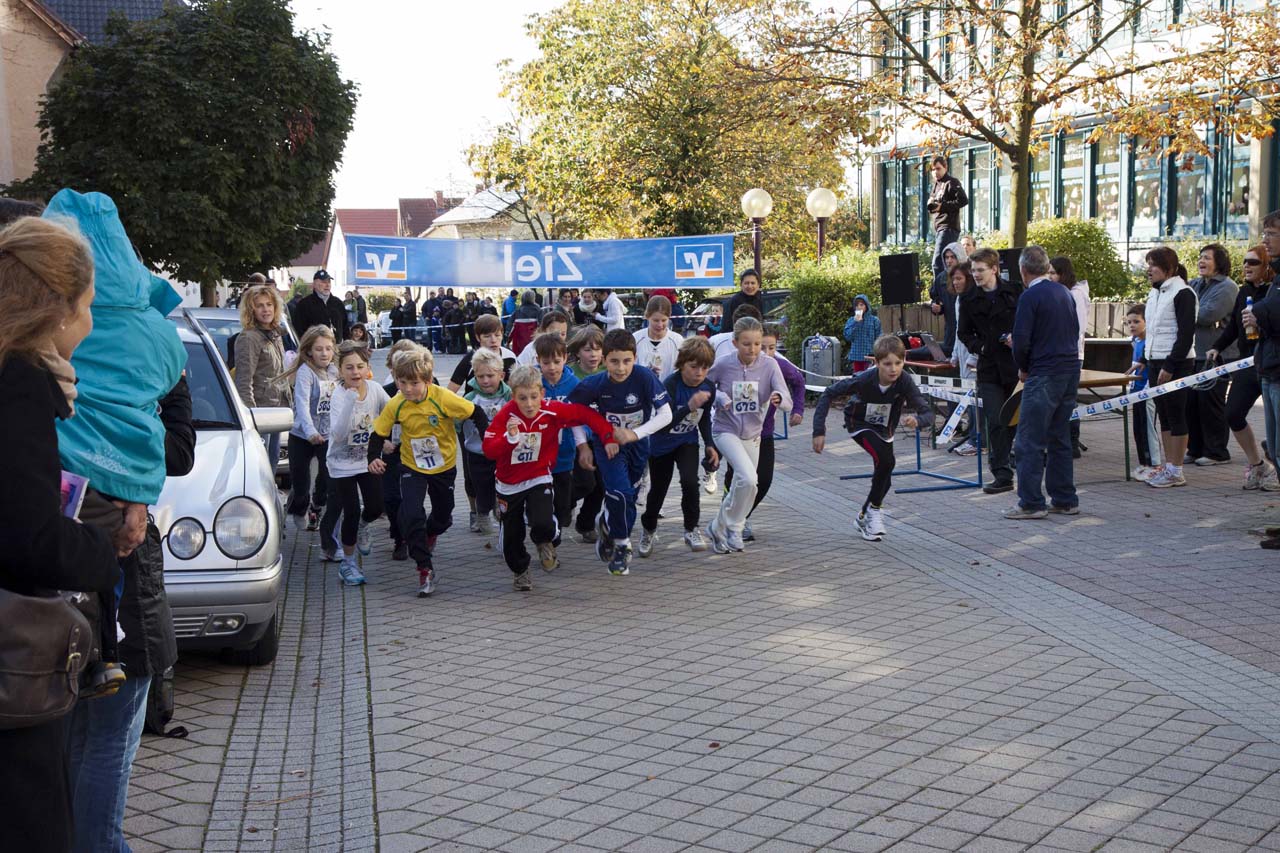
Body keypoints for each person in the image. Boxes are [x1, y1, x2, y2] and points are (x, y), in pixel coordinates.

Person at [40, 189, 190, 853]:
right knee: (103, 736)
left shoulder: (37, 336)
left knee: (92, 728)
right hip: (100, 544)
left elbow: (180, 445)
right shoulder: (155, 333)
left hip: (76, 530)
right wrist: (135, 485)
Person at [0, 215, 120, 853]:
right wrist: (101, 552)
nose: (91, 323)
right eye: (88, 305)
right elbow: (29, 539)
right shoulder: (17, 380)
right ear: (58, 306)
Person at [482, 365, 621, 589]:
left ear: (542, 394)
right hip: (509, 483)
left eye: (534, 397)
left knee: (543, 522)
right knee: (512, 535)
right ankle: (521, 571)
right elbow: (489, 450)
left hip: (539, 476)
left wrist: (608, 436)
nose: (529, 404)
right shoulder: (506, 416)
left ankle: (544, 541)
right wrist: (509, 438)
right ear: (513, 396)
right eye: (522, 398)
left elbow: (584, 414)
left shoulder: (551, 411)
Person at [367, 349, 490, 596]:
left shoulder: (442, 398)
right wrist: (373, 458)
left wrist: (487, 438)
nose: (408, 389)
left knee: (443, 517)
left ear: (428, 380)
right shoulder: (397, 404)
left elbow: (476, 412)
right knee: (411, 515)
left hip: (443, 467)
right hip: (412, 466)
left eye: (414, 383)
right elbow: (378, 433)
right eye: (402, 383)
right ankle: (425, 568)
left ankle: (431, 532)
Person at [569, 329, 673, 574]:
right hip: (608, 447)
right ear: (604, 360)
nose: (621, 368)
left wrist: (634, 434)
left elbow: (666, 414)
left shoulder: (644, 377)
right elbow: (572, 413)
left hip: (638, 447)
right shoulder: (594, 384)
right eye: (614, 361)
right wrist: (582, 445)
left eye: (627, 361)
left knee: (629, 500)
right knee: (619, 493)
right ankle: (622, 546)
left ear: (635, 358)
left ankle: (608, 523)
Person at [812, 335, 932, 541]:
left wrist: (918, 420)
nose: (893, 369)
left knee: (885, 478)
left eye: (898, 363)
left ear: (904, 361)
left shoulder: (904, 381)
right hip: (859, 423)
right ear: (876, 363)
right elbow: (828, 393)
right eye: (887, 364)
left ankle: (863, 516)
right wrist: (818, 431)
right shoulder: (864, 379)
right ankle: (875, 512)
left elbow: (927, 413)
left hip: (885, 428)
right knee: (887, 461)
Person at [704, 316, 792, 553]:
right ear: (735, 343)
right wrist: (720, 397)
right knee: (749, 478)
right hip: (725, 429)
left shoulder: (770, 365)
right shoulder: (723, 364)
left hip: (753, 434)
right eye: (746, 344)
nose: (752, 349)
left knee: (745, 486)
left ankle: (719, 527)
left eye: (757, 344)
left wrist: (780, 399)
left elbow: (787, 398)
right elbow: (705, 385)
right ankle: (734, 526)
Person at [1005, 245, 1081, 517]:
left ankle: (1031, 502)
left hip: (1043, 371)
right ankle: (1064, 499)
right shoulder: (1064, 292)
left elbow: (1021, 340)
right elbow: (1075, 331)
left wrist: (1024, 367)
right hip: (1069, 369)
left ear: (1022, 270)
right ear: (1047, 267)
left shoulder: (1030, 297)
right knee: (1060, 437)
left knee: (1029, 440)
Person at [639, 336, 719, 555]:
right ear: (682, 363)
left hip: (687, 441)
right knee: (659, 490)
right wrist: (688, 407)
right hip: (661, 444)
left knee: (690, 482)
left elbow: (703, 418)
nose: (699, 373)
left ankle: (691, 529)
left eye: (705, 368)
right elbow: (664, 423)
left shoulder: (708, 387)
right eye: (694, 367)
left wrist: (709, 443)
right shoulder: (670, 386)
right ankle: (648, 528)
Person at [1207, 244, 1276, 489]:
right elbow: (1234, 328)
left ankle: (1275, 467)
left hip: (1272, 363)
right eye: (1245, 261)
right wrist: (1217, 347)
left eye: (1253, 262)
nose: (1247, 266)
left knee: (1275, 421)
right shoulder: (1243, 291)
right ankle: (1258, 465)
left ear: (1267, 265)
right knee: (1233, 413)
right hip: (1248, 363)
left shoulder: (1274, 291)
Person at [732, 323, 806, 542]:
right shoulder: (737, 364)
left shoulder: (777, 366)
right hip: (736, 432)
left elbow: (799, 382)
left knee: (763, 480)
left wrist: (797, 409)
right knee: (739, 478)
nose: (764, 352)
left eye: (771, 348)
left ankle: (741, 515)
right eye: (761, 346)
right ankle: (733, 519)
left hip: (764, 432)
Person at [325, 341, 389, 585]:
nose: (355, 372)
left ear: (368, 367)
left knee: (375, 507)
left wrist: (388, 440)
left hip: (367, 459)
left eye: (360, 366)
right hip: (341, 463)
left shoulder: (375, 389)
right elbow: (339, 433)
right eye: (349, 367)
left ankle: (364, 525)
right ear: (340, 370)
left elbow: (391, 413)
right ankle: (348, 564)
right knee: (350, 511)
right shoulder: (338, 395)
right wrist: (350, 400)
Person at [958, 248, 1020, 493]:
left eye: (980, 270)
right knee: (995, 420)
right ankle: (1001, 473)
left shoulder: (1015, 291)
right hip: (989, 367)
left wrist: (1018, 338)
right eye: (973, 270)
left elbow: (1028, 320)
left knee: (1014, 419)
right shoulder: (968, 299)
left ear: (994, 269)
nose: (975, 274)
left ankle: (1010, 457)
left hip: (1015, 365)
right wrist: (980, 347)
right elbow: (964, 333)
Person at [1143, 247, 1198, 489]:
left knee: (1176, 414)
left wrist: (1170, 365)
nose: (1149, 270)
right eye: (1148, 264)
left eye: (1154, 265)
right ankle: (1169, 466)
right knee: (1163, 415)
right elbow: (1153, 330)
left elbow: (1185, 335)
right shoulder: (1155, 293)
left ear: (1169, 268)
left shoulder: (1183, 293)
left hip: (1176, 363)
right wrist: (1145, 358)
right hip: (1155, 360)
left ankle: (1177, 470)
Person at [1243, 211, 1280, 547]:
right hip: (1269, 369)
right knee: (1277, 450)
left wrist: (1259, 315)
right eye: (1265, 232)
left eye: (1271, 233)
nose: (1265, 239)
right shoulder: (1277, 278)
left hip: (1278, 372)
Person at [282, 326, 339, 532]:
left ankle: (317, 505)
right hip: (302, 435)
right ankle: (299, 508)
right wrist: (310, 432)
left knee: (327, 476)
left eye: (328, 349)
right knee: (301, 485)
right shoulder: (305, 372)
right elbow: (302, 405)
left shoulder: (334, 372)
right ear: (308, 351)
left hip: (327, 434)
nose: (324, 353)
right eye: (319, 349)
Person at [1186, 243, 1238, 466]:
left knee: (1211, 403)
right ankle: (1195, 449)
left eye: (1207, 257)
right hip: (1194, 353)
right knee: (1191, 403)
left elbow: (1207, 315)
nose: (1201, 261)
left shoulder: (1227, 287)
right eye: (1200, 257)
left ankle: (1217, 452)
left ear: (1219, 262)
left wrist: (1185, 311)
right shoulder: (1195, 283)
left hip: (1217, 354)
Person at [535, 334, 586, 533]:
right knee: (542, 504)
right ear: (538, 360)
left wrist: (583, 439)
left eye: (557, 362)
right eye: (546, 362)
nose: (552, 368)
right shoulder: (534, 384)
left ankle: (560, 520)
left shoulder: (574, 385)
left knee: (564, 507)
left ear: (565, 358)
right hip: (539, 457)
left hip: (565, 455)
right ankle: (546, 538)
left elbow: (583, 415)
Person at [234, 284, 292, 460]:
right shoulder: (248, 338)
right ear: (251, 310)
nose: (266, 309)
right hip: (260, 412)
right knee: (261, 462)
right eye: (259, 305)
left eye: (269, 304)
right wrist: (251, 416)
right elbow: (244, 381)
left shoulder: (275, 334)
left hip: (277, 409)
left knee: (273, 461)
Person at [459, 349, 512, 537]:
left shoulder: (509, 396)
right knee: (482, 488)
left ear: (501, 375)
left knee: (505, 485)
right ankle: (482, 511)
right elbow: (457, 421)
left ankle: (502, 509)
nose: (485, 380)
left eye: (490, 376)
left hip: (503, 452)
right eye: (481, 376)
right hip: (478, 453)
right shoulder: (470, 399)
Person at [567, 325, 608, 542]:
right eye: (587, 350)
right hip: (575, 437)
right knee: (585, 483)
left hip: (601, 437)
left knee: (601, 485)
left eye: (597, 349)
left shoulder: (608, 373)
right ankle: (563, 503)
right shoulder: (570, 373)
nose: (593, 354)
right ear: (577, 352)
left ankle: (586, 523)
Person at [379, 340, 420, 560]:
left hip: (418, 452)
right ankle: (399, 538)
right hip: (392, 451)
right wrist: (382, 441)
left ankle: (416, 534)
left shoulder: (428, 390)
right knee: (392, 497)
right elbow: (373, 422)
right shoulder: (384, 392)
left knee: (412, 499)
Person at [1049, 256, 1091, 459]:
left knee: (1069, 400)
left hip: (1072, 354)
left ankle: (1072, 441)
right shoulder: (1060, 293)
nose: (1049, 277)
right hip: (1060, 352)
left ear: (1062, 274)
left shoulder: (1076, 294)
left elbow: (1079, 327)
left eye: (1053, 273)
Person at [927, 156, 969, 353]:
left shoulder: (952, 182)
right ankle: (939, 295)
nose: (935, 172)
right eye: (933, 169)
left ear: (945, 167)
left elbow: (963, 200)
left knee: (938, 262)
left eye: (938, 168)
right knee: (937, 262)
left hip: (949, 226)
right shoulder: (936, 185)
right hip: (939, 227)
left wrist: (942, 206)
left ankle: (939, 291)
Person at [1124, 304, 1164, 481]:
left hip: (1147, 392)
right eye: (1129, 322)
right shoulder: (1136, 342)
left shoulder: (1150, 343)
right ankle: (1144, 462)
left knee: (1148, 428)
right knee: (1138, 428)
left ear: (1147, 322)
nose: (1132, 325)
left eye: (1136, 322)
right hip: (1135, 391)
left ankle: (1155, 464)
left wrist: (1148, 389)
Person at [947, 262, 979, 456]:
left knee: (975, 400)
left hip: (973, 359)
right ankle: (973, 437)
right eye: (954, 279)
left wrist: (974, 357)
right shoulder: (960, 300)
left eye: (959, 278)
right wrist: (954, 355)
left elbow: (977, 331)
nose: (955, 282)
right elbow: (960, 332)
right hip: (963, 356)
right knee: (969, 397)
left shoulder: (974, 300)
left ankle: (977, 441)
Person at [448, 313, 517, 391]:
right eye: (487, 336)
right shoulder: (470, 360)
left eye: (497, 335)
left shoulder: (510, 357)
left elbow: (515, 387)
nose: (493, 340)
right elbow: (450, 391)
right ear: (478, 337)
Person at [929, 239, 968, 357]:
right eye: (946, 257)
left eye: (953, 257)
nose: (949, 260)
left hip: (968, 330)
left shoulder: (970, 276)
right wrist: (936, 307)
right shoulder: (941, 278)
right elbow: (936, 299)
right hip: (950, 331)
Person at [634, 295, 683, 380]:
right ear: (647, 317)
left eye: (664, 320)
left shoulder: (678, 341)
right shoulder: (636, 339)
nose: (660, 325)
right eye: (656, 320)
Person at [291, 270, 347, 341]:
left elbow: (345, 327)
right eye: (323, 282)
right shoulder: (304, 305)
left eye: (329, 282)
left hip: (337, 346)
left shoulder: (338, 303)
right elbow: (298, 329)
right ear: (314, 285)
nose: (327, 285)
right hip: (314, 346)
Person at [843, 294, 882, 373]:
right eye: (857, 305)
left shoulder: (874, 320)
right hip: (857, 356)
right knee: (858, 377)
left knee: (871, 377)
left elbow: (879, 337)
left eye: (861, 305)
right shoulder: (851, 320)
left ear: (866, 306)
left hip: (870, 356)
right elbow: (848, 337)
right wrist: (855, 323)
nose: (859, 307)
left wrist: (878, 353)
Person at [719, 270, 765, 335]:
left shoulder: (759, 301)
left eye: (753, 283)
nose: (749, 286)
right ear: (741, 285)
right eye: (746, 283)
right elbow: (726, 327)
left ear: (758, 285)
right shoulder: (733, 301)